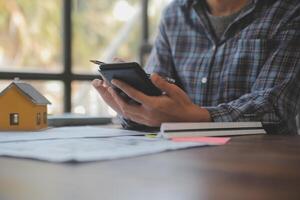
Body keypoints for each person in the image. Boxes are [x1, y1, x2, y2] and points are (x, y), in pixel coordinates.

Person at [92, 0, 300, 134]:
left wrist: (199, 117)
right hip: (183, 164)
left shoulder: (290, 11)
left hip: (262, 165)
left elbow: (275, 105)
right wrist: (134, 108)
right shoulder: (174, 15)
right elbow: (156, 91)